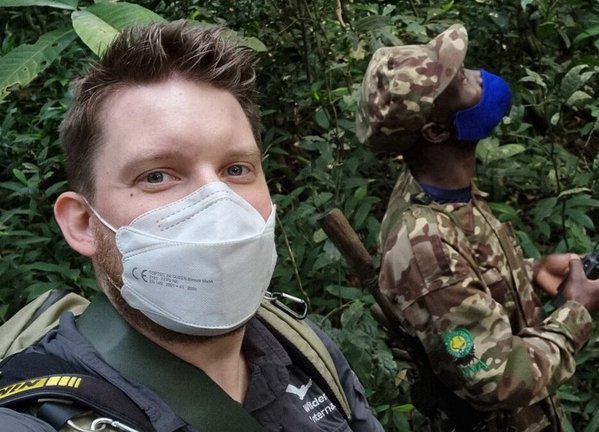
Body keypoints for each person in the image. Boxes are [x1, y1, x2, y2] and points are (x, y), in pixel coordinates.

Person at [0, 20, 383, 432]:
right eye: (157, 176)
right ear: (83, 223)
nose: (216, 205)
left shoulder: (300, 343)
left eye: (237, 169)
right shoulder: (36, 417)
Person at [356, 24, 599, 431]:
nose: (477, 75)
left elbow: (464, 288)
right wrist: (576, 313)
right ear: (437, 131)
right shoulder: (424, 244)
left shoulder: (441, 188)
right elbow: (495, 380)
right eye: (460, 80)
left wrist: (531, 271)